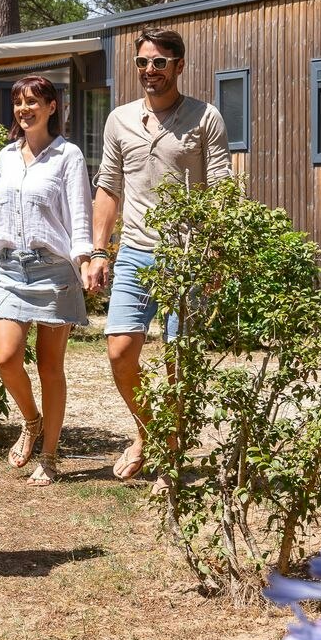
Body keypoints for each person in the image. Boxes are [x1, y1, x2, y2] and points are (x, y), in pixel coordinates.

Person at [81, 28, 232, 481]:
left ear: (179, 66)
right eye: (143, 62)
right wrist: (98, 250)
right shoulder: (119, 120)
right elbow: (108, 187)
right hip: (136, 251)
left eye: (160, 63)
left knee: (178, 359)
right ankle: (152, 433)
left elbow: (221, 189)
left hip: (187, 257)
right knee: (120, 351)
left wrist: (215, 255)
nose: (150, 71)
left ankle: (168, 451)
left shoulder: (205, 117)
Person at [0, 75, 92, 485]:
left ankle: (49, 456)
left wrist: (85, 261)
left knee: (50, 366)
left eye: (33, 102)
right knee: (6, 358)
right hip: (10, 267)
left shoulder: (68, 155)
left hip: (54, 269)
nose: (25, 109)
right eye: (18, 103)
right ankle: (31, 420)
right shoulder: (7, 155)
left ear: (52, 107)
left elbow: (80, 213)